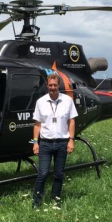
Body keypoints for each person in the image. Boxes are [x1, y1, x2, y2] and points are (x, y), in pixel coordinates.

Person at [31, 72, 78, 209]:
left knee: (59, 174)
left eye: (55, 85)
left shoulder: (67, 101)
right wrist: (35, 142)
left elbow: (72, 121)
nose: (53, 87)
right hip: (45, 143)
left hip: (62, 142)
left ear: (59, 85)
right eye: (50, 85)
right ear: (47, 85)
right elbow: (37, 124)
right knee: (43, 173)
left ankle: (55, 199)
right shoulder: (40, 102)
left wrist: (71, 140)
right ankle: (36, 202)